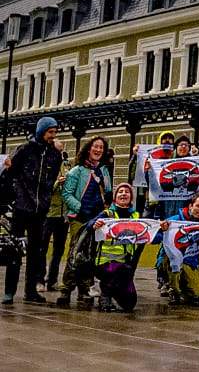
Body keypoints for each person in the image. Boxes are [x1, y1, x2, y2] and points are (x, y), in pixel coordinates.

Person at [3, 116, 65, 303]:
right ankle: (9, 291)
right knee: (14, 250)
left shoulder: (54, 154)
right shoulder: (25, 149)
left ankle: (31, 291)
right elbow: (9, 174)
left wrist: (45, 200)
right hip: (22, 208)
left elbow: (51, 178)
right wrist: (15, 197)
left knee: (36, 252)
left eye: (54, 132)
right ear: (41, 132)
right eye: (49, 132)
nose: (52, 136)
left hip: (40, 210)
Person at [55, 135, 115, 307]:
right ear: (88, 149)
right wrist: (80, 208)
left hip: (97, 220)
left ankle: (84, 290)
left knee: (90, 255)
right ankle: (65, 289)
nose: (98, 150)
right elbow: (67, 194)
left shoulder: (103, 171)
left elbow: (109, 193)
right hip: (79, 219)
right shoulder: (76, 171)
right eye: (95, 147)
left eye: (101, 148)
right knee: (76, 252)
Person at [87, 183, 148, 313]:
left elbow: (151, 234)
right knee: (122, 270)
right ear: (115, 197)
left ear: (131, 197)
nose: (124, 193)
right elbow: (89, 225)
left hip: (124, 265)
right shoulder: (107, 214)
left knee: (129, 304)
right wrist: (95, 224)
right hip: (104, 263)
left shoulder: (136, 217)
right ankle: (106, 295)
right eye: (120, 191)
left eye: (127, 191)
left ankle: (111, 289)